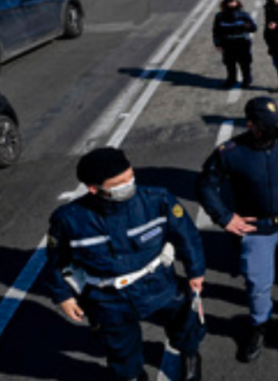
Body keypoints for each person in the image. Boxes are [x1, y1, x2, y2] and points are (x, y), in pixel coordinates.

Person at [44, 148, 205, 381]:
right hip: (107, 298)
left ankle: (190, 355)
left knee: (184, 324)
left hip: (158, 283)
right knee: (121, 350)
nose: (129, 185)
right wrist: (63, 297)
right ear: (93, 188)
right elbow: (56, 260)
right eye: (120, 183)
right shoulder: (69, 220)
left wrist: (195, 271)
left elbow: (187, 236)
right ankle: (133, 376)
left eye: (131, 177)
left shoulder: (157, 200)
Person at [195, 97, 278, 363]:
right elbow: (205, 186)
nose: (275, 130)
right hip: (256, 229)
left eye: (277, 123)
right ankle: (260, 325)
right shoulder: (231, 152)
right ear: (252, 125)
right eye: (267, 125)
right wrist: (225, 218)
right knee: (258, 283)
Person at [213, 0, 258, 89]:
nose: (232, 4)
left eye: (233, 2)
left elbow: (254, 28)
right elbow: (216, 31)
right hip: (228, 43)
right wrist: (217, 43)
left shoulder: (244, 15)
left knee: (245, 63)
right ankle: (231, 79)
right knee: (230, 64)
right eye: (229, 3)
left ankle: (246, 80)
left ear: (236, 3)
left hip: (242, 43)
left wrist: (248, 27)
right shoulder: (220, 16)